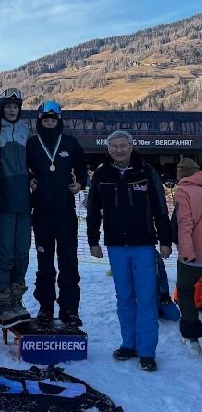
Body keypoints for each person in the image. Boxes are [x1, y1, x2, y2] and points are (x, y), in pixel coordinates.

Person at [87, 130, 172, 372]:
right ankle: (129, 344)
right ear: (108, 148)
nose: (119, 150)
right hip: (116, 245)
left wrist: (165, 240)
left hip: (143, 244)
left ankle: (147, 351)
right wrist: (93, 241)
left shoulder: (146, 171)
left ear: (131, 146)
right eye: (114, 146)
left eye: (123, 145)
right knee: (124, 297)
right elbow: (93, 210)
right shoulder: (102, 174)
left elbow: (160, 207)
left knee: (146, 298)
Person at [27, 100, 87, 327]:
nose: (49, 122)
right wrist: (29, 179)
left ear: (59, 120)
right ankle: (45, 307)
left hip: (65, 212)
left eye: (53, 118)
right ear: (40, 121)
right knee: (45, 264)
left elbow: (82, 166)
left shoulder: (70, 142)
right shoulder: (33, 143)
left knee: (69, 261)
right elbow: (22, 166)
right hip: (41, 212)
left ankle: (69, 309)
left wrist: (80, 183)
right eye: (45, 119)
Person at [0, 88, 31, 326]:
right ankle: (1, 304)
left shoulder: (26, 129)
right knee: (4, 255)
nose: (12, 110)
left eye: (15, 106)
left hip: (24, 200)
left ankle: (16, 300)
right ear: (2, 108)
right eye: (7, 106)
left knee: (22, 254)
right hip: (2, 197)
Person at [174, 158, 202, 354]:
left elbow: (185, 224)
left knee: (185, 292)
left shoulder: (183, 191)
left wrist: (186, 253)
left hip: (193, 255)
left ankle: (192, 338)